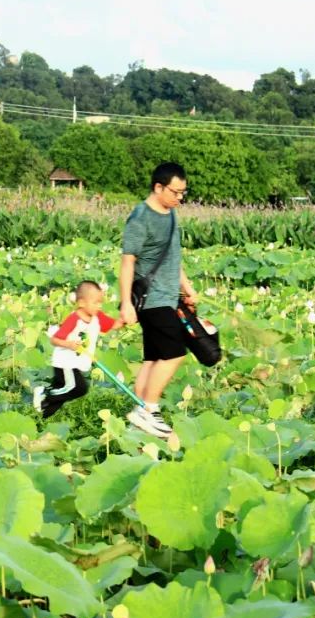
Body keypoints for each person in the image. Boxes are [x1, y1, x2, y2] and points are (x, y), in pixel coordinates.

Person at [119, 162, 199, 437]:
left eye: (183, 193)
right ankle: (148, 410)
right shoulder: (140, 218)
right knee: (175, 352)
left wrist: (187, 288)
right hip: (151, 300)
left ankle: (139, 414)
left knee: (153, 359)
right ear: (158, 187)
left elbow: (172, 258)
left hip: (169, 296)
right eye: (175, 192)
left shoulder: (171, 214)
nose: (179, 198)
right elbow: (128, 262)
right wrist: (126, 304)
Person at [33, 281, 122, 418]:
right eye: (95, 302)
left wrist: (129, 317)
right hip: (65, 362)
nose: (99, 306)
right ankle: (43, 392)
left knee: (61, 394)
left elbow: (114, 325)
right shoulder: (74, 319)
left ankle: (41, 417)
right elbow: (54, 339)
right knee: (78, 389)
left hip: (76, 363)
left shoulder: (97, 317)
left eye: (100, 302)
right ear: (81, 303)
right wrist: (69, 344)